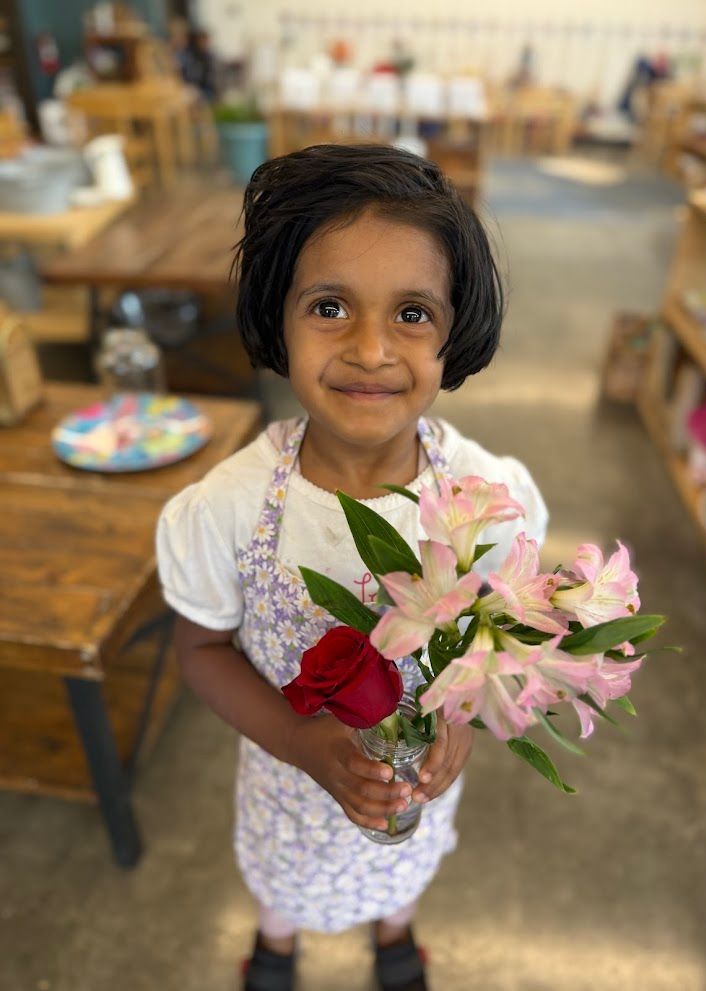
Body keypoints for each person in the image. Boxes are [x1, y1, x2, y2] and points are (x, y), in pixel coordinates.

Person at [156, 143, 548, 991]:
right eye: (329, 306)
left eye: (411, 312)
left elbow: (502, 629)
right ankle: (275, 941)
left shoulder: (486, 497)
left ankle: (395, 931)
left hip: (418, 775)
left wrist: (461, 714)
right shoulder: (229, 507)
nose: (371, 349)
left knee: (402, 863)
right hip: (287, 779)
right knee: (281, 885)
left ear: (455, 330)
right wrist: (299, 741)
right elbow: (201, 648)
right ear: (278, 316)